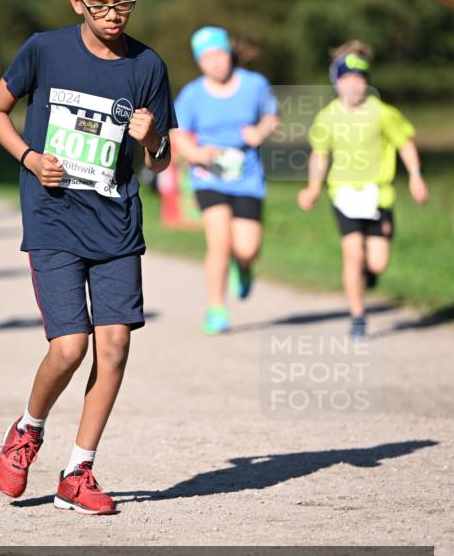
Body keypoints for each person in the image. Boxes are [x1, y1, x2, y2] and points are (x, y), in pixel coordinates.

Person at [0, 0, 176, 515]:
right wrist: (28, 158)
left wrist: (153, 141)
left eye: (124, 3)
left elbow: (162, 161)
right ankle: (27, 429)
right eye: (101, 6)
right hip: (56, 218)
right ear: (76, 2)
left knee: (113, 346)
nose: (114, 17)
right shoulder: (45, 50)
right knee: (69, 347)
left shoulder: (148, 66)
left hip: (116, 223)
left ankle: (78, 470)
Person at [298, 41, 428, 339]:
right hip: (343, 195)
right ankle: (357, 316)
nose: (354, 86)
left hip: (378, 195)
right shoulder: (327, 117)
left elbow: (405, 143)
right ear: (337, 82)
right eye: (347, 80)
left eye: (360, 80)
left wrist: (416, 176)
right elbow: (320, 155)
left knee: (377, 261)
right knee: (352, 255)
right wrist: (313, 187)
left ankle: (369, 275)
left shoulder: (382, 113)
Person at [172, 27, 279, 334]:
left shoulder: (255, 85)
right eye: (206, 58)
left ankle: (243, 267)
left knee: (247, 248)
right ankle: (216, 309)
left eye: (218, 54)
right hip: (209, 177)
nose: (214, 63)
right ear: (199, 62)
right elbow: (176, 130)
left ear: (229, 54)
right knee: (218, 242)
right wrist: (193, 152)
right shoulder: (193, 93)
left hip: (247, 178)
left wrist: (259, 133)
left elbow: (272, 115)